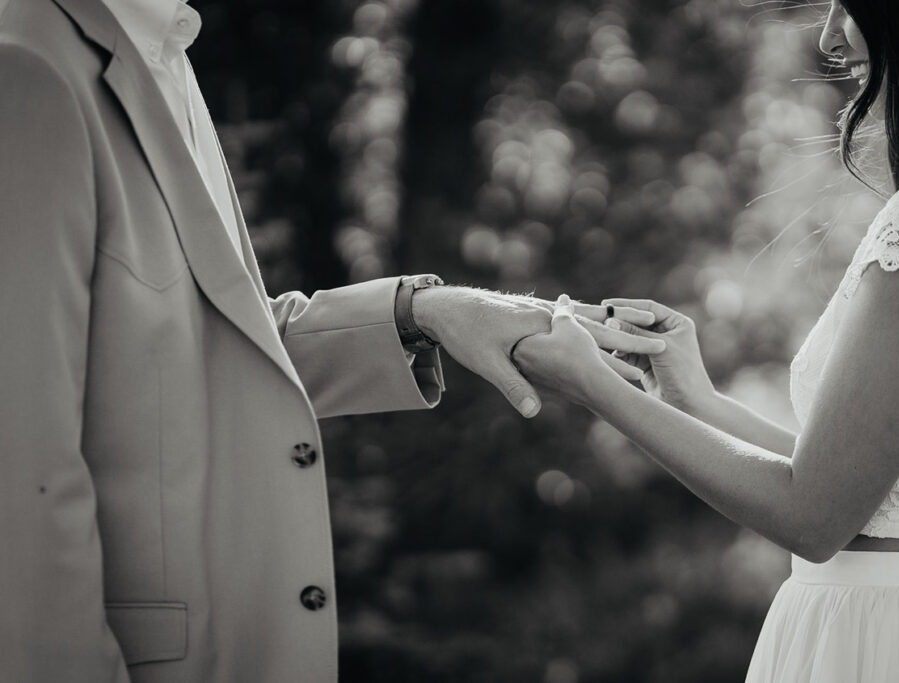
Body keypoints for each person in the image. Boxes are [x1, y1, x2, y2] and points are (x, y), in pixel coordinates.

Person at [0, 0, 664, 681]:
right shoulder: (27, 68)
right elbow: (19, 476)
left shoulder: (164, 51)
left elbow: (212, 346)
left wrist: (426, 311)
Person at [513, 1, 899, 680]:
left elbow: (813, 517)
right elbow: (875, 484)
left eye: (852, 4)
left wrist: (593, 384)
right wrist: (694, 397)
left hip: (886, 636)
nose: (831, 35)